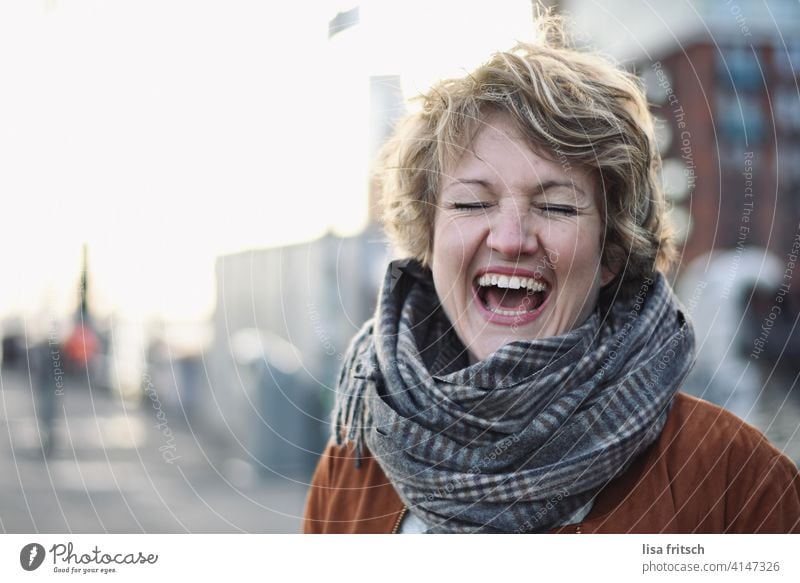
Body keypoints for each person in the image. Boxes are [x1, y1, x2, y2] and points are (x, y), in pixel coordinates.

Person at [303, 15, 800, 533]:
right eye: (473, 203)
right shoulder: (351, 470)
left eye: (557, 208)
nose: (511, 238)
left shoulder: (735, 481)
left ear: (610, 252)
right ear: (429, 241)